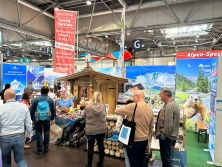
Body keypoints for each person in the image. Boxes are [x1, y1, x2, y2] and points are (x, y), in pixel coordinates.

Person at [115, 90, 154, 167]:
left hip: (133, 141)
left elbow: (116, 111)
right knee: (142, 160)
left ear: (138, 96)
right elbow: (151, 127)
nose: (133, 98)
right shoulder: (150, 109)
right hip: (144, 140)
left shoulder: (133, 106)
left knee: (134, 163)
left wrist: (124, 113)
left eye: (133, 96)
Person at [0, 88, 32, 167]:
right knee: (20, 159)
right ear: (15, 96)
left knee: (6, 162)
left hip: (5, 137)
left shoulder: (1, 108)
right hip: (19, 136)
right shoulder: (24, 107)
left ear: (5, 97)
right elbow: (28, 123)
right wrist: (28, 135)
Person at [156, 87, 180, 167]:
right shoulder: (172, 104)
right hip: (169, 137)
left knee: (166, 161)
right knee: (166, 159)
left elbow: (168, 124)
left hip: (167, 138)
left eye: (161, 94)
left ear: (165, 95)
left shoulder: (169, 106)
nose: (160, 96)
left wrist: (163, 136)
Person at [30, 86, 56, 154]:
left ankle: (40, 149)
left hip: (37, 118)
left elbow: (32, 110)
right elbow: (53, 110)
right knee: (46, 132)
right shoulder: (50, 100)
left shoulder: (35, 99)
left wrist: (32, 118)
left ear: (40, 91)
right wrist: (52, 118)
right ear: (48, 91)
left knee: (39, 133)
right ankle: (46, 147)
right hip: (47, 117)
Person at [84, 91, 106, 167]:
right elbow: (104, 115)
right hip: (101, 129)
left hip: (91, 129)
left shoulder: (88, 107)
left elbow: (84, 115)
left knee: (90, 147)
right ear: (100, 97)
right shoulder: (103, 106)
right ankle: (101, 163)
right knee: (101, 146)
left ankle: (89, 164)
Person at [115, 100, 134, 167]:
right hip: (135, 138)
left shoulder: (122, 115)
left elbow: (117, 127)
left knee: (127, 156)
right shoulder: (136, 114)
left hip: (124, 138)